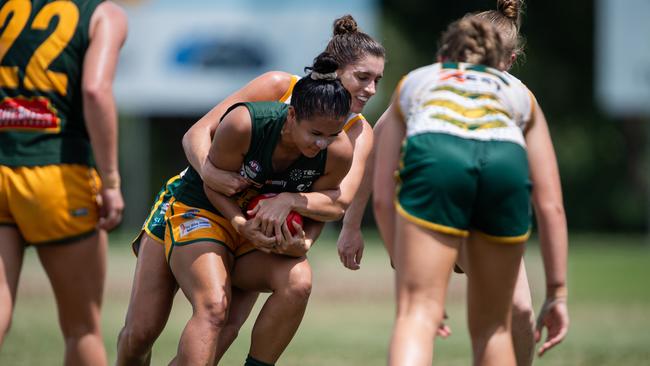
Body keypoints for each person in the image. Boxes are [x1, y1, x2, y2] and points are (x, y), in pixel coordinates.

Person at [116, 14, 384, 365]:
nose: (371, 89)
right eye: (363, 77)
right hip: (197, 204)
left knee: (222, 325)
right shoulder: (278, 88)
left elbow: (338, 200)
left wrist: (292, 209)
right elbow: (196, 134)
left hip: (256, 227)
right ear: (335, 70)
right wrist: (211, 173)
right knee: (141, 331)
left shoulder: (356, 135)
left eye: (378, 80)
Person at [373, 15, 567, 365]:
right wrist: (557, 293)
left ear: (445, 53)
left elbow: (383, 196)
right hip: (503, 162)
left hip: (437, 156)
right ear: (503, 58)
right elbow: (550, 203)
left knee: (416, 315)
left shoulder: (416, 81)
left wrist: (403, 267)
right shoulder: (517, 91)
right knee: (494, 327)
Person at [163, 52, 352, 365]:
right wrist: (239, 222)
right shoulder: (244, 123)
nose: (323, 144)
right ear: (291, 116)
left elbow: (328, 204)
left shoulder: (339, 151)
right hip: (204, 212)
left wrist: (303, 241)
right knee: (211, 308)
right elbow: (212, 183)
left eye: (333, 135)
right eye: (316, 134)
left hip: (255, 234)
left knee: (298, 281)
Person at [0, 1, 127, 365]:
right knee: (81, 328)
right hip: (56, 173)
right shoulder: (104, 13)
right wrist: (111, 181)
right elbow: (95, 91)